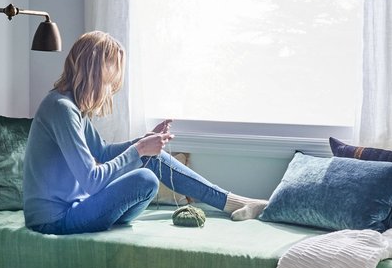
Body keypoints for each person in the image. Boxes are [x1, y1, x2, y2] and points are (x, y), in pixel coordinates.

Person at [23, 31, 268, 235]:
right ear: (94, 73)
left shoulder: (72, 106)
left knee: (152, 158)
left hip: (78, 208)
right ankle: (233, 202)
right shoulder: (61, 109)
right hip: (54, 221)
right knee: (145, 179)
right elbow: (92, 180)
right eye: (109, 81)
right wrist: (139, 150)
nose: (110, 89)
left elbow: (103, 152)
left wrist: (145, 142)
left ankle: (233, 202)